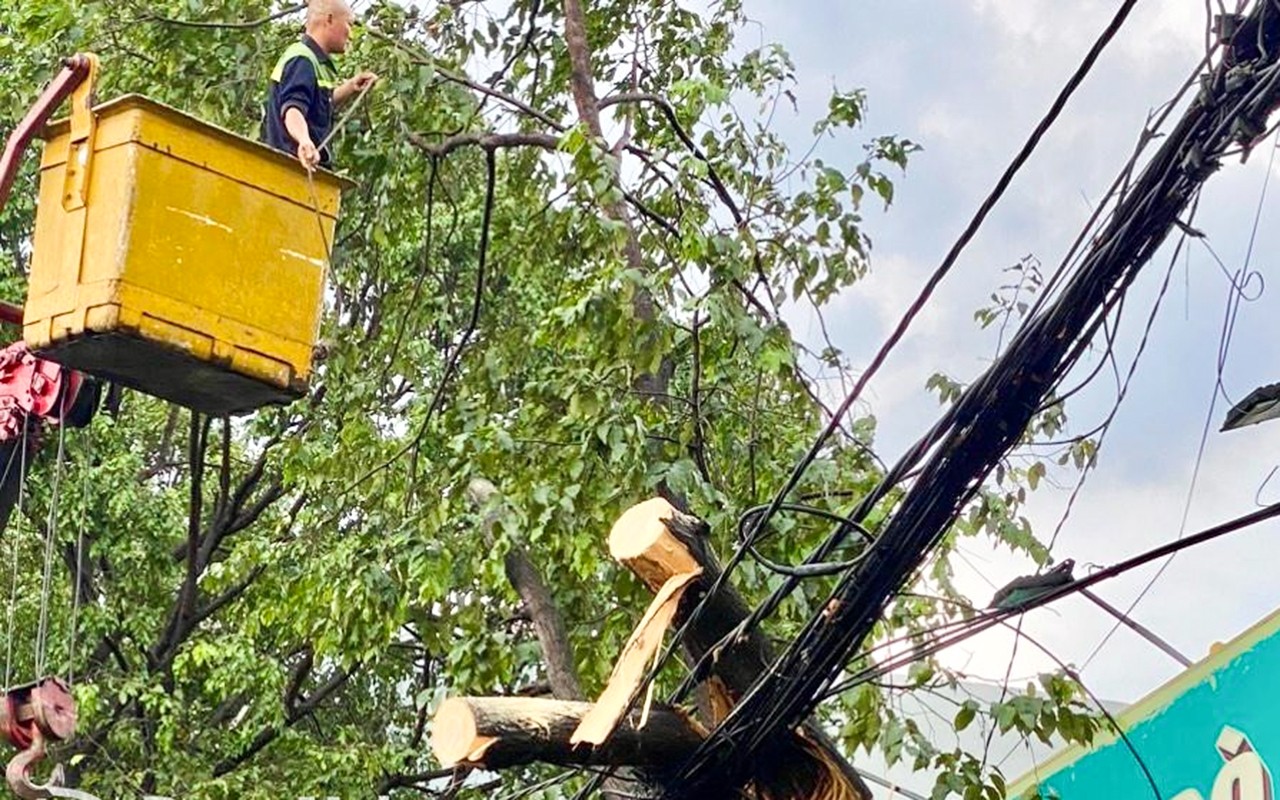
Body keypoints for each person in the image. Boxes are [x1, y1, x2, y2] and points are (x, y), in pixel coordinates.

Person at [262, 0, 378, 170]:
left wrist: (351, 86)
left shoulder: (313, 61)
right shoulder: (302, 59)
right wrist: (304, 140)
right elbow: (292, 109)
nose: (351, 34)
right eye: (349, 24)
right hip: (293, 168)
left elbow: (318, 103)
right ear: (329, 19)